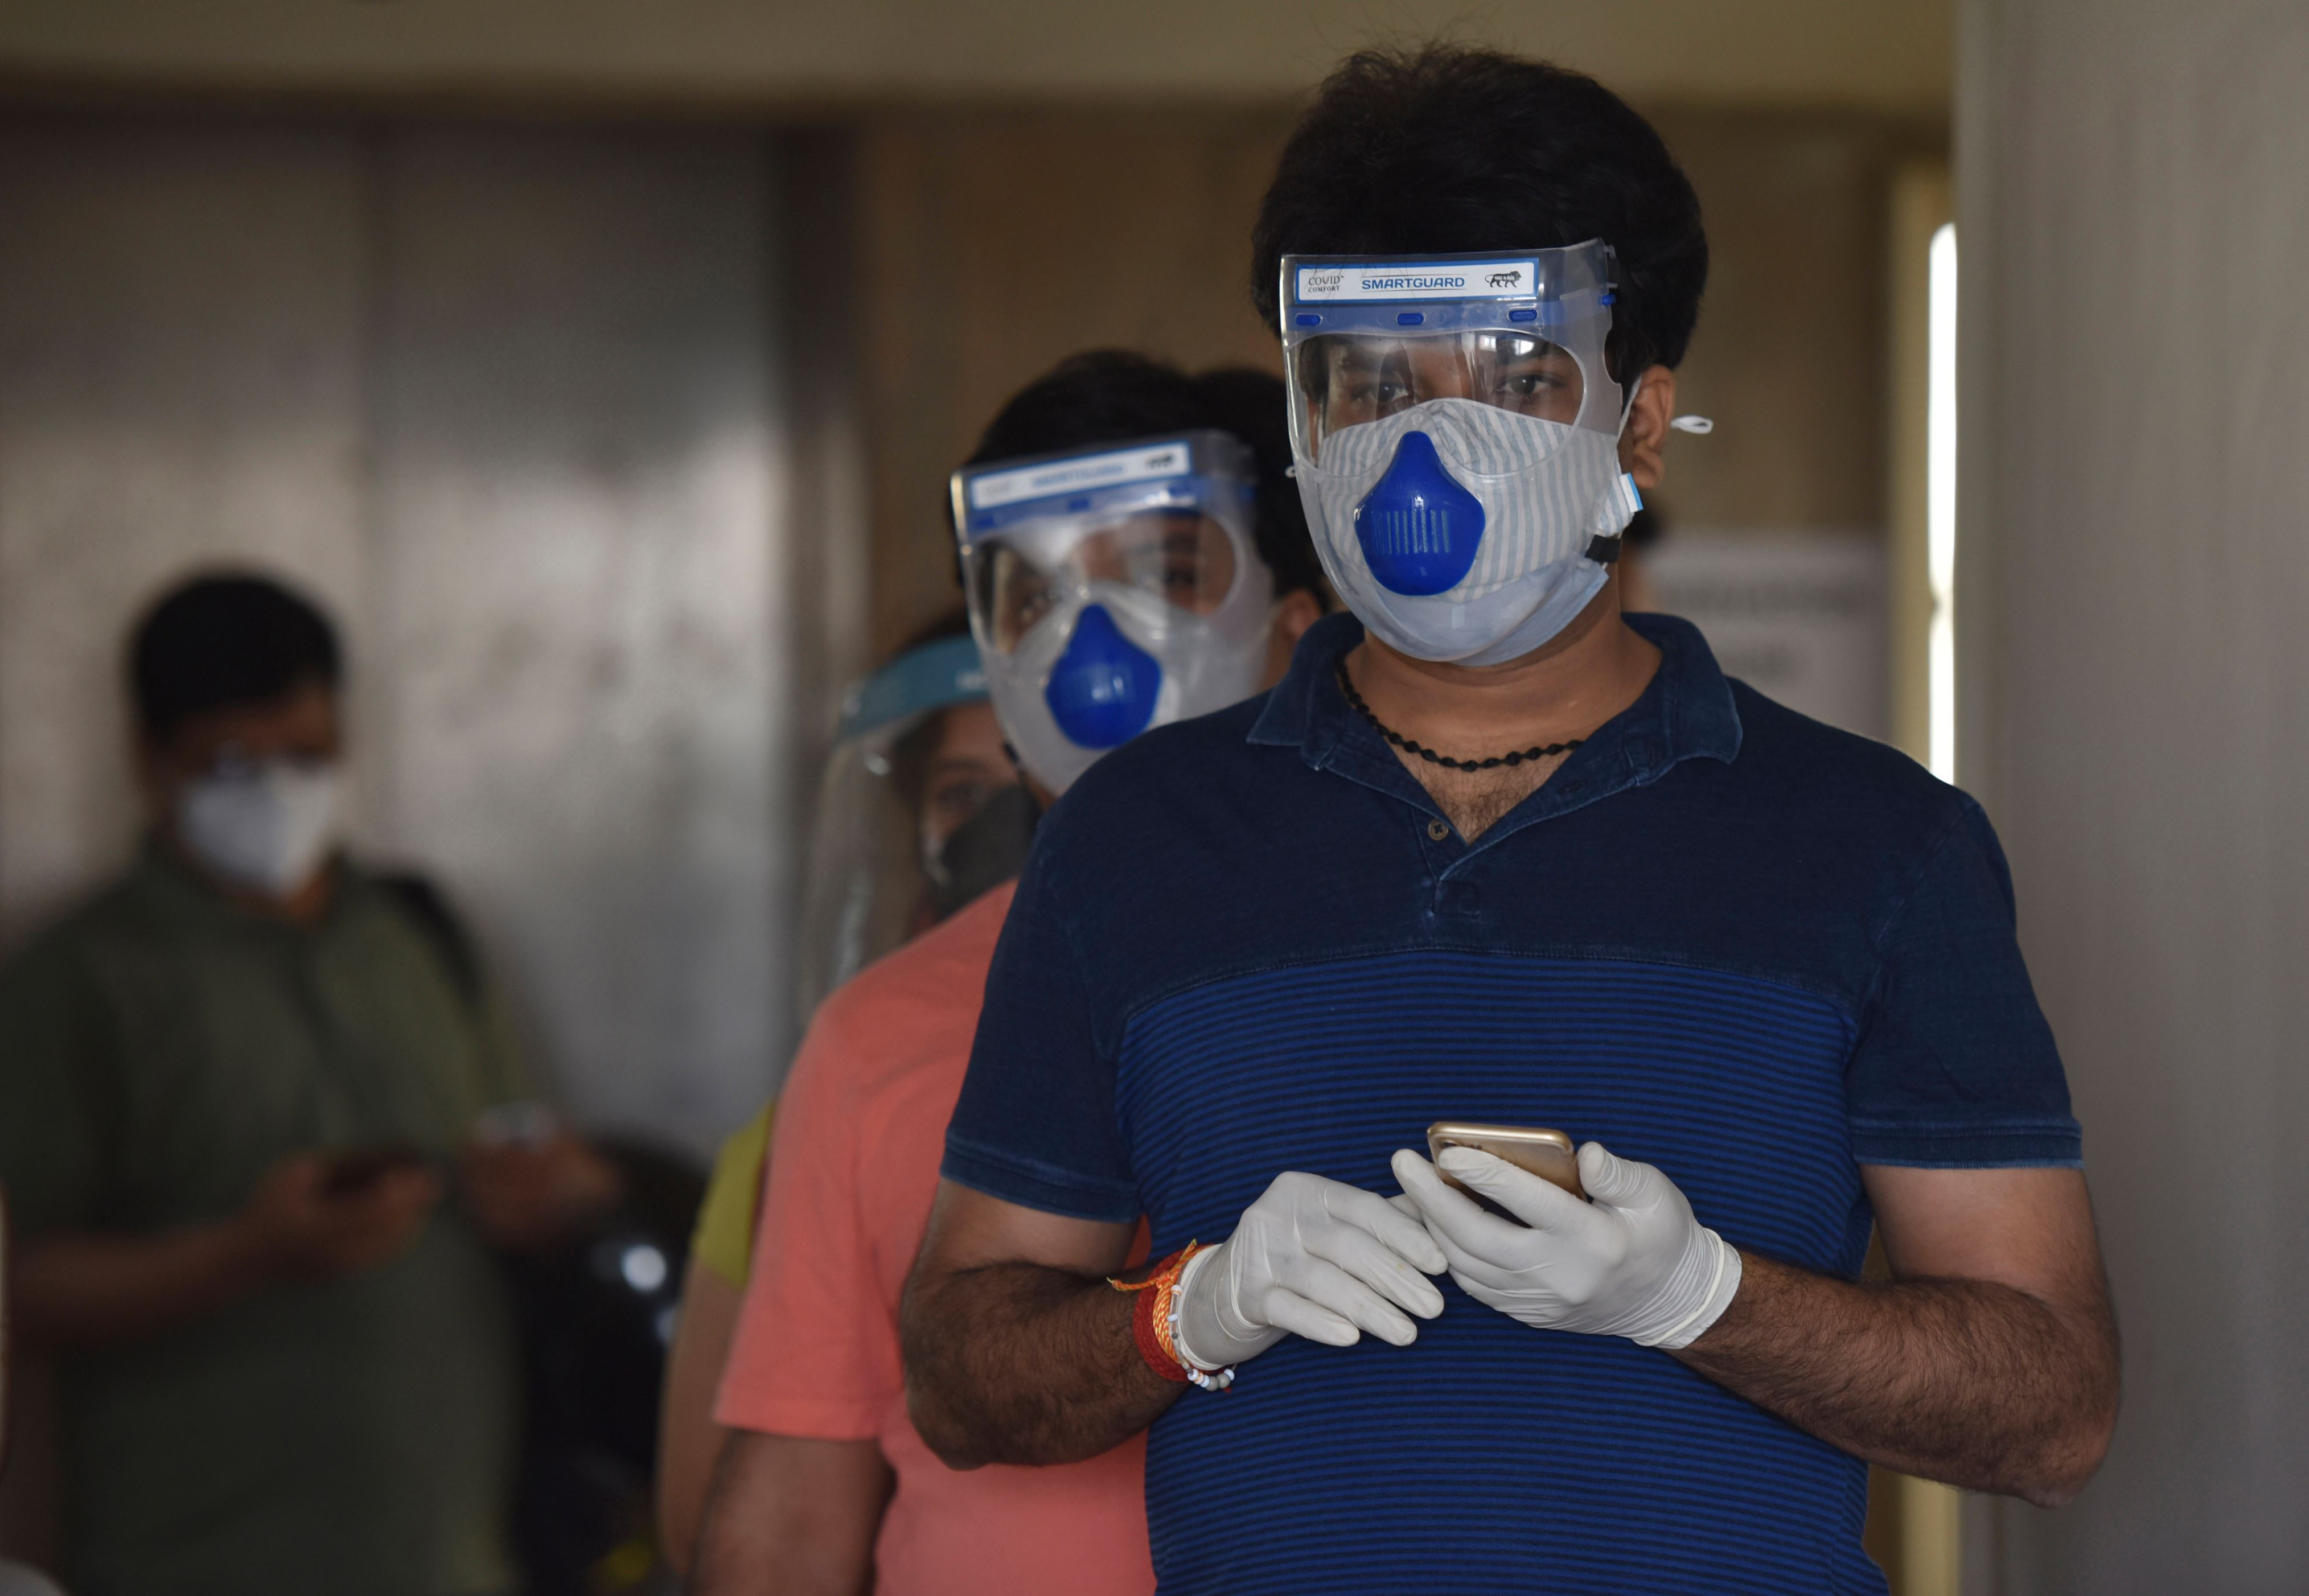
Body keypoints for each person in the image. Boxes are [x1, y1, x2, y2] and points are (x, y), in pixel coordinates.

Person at [898, 47, 2119, 1596]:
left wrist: (1697, 1294)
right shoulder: (1129, 839)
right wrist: (1185, 1309)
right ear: (1300, 416)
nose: (1423, 451)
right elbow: (957, 1371)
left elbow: (2051, 1411)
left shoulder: (1877, 844)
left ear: (1637, 422)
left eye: (1514, 378)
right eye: (1369, 382)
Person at [681, 352, 1328, 1595]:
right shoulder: (879, 1033)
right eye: (1027, 593)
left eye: (1160, 575)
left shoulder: (1427, 961)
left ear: (1293, 629)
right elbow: (788, 1524)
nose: (1092, 640)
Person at [0, 574, 621, 1596]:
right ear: (148, 759)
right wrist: (242, 1255)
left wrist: (557, 1193)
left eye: (304, 758)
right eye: (231, 764)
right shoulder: (74, 983)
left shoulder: (419, 938)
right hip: (194, 1563)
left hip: (460, 1561)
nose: (274, 793)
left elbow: (514, 1140)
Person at [653, 613, 1022, 1560]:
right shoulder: (826, 1104)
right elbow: (717, 1519)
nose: (1009, 833)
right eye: (961, 795)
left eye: (1036, 783)